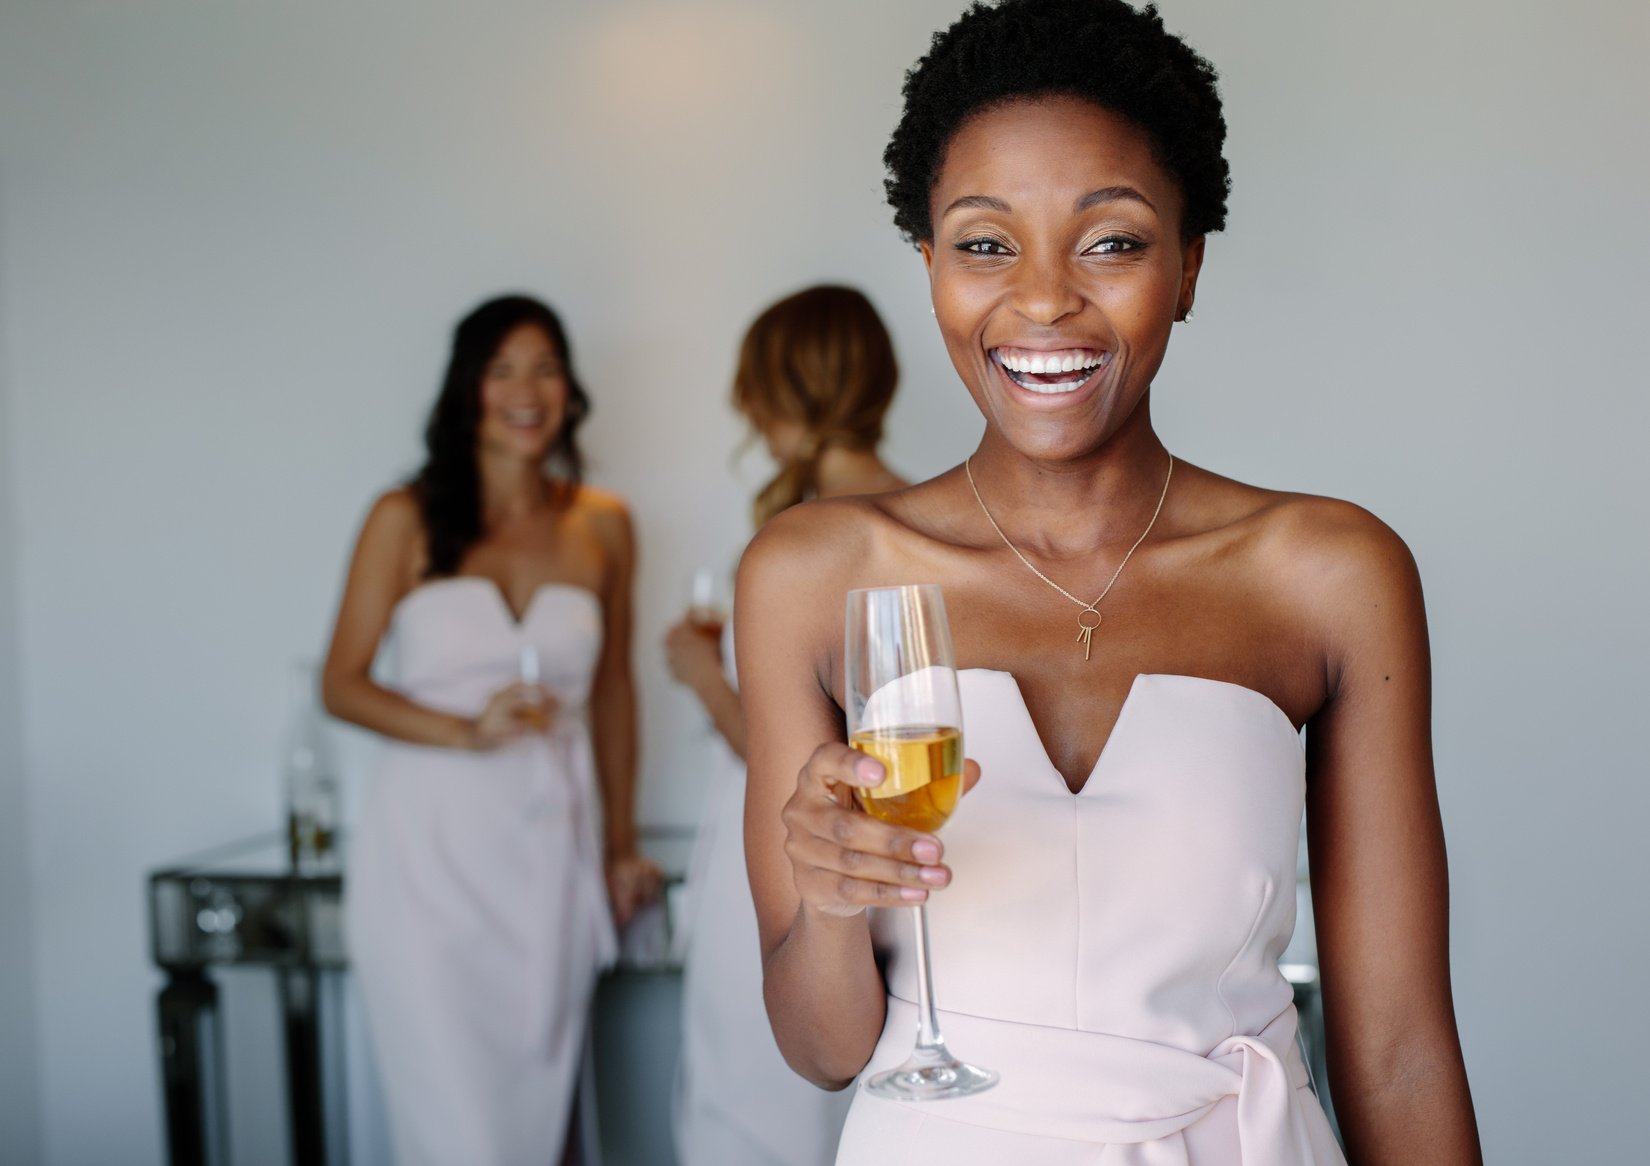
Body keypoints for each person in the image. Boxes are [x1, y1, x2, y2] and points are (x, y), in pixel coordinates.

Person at [735, 3, 1483, 1164]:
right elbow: (823, 1045)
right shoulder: (815, 573)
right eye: (985, 243)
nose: (1042, 301)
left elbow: (1397, 1048)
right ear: (928, 263)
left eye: (1112, 241)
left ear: (1187, 265)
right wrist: (831, 899)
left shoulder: (1329, 574)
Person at [322, 294, 660, 1166]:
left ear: (570, 388)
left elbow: (616, 693)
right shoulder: (402, 516)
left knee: (542, 1124)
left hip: (551, 852)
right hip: (427, 863)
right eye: (502, 368)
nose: (526, 389)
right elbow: (343, 685)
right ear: (466, 389)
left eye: (545, 366)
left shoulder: (605, 525)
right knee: (458, 1133)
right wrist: (468, 731)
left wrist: (620, 846)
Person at [665, 285, 906, 1166]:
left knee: (754, 1104)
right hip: (889, 867)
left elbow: (806, 761)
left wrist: (699, 676)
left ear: (780, 391)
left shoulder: (803, 540)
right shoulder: (935, 523)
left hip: (779, 860)